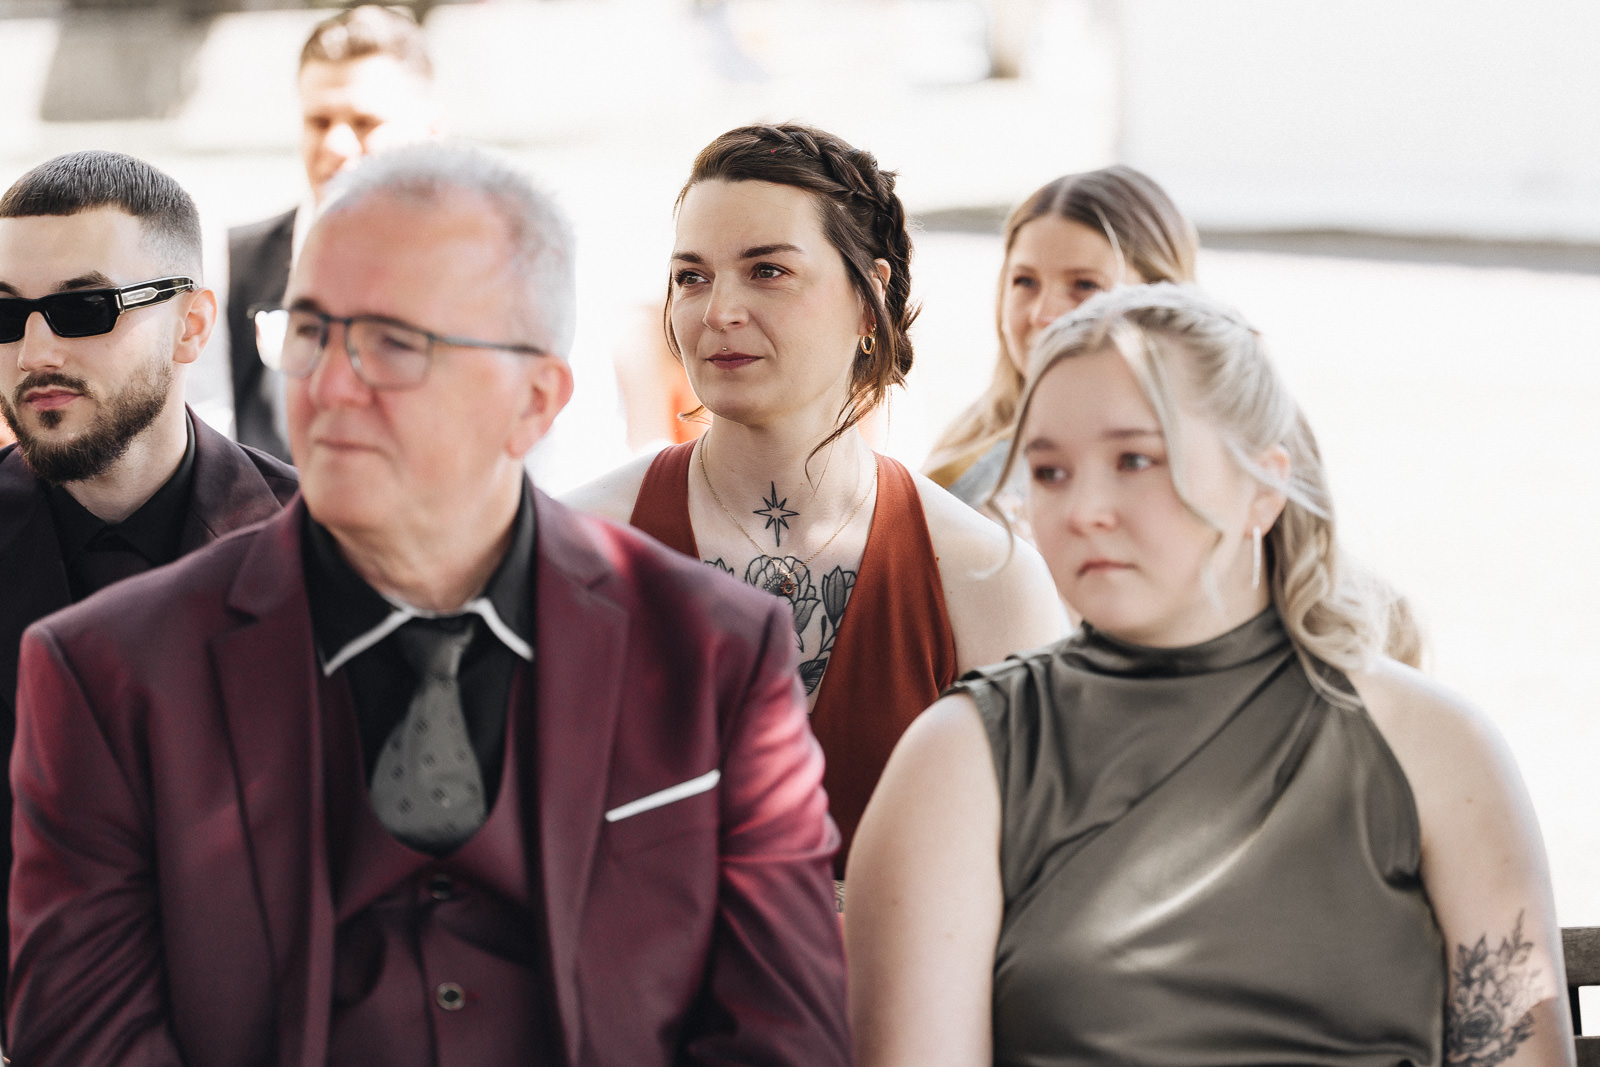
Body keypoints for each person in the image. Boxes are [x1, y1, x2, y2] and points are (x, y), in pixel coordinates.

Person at [9, 142, 848, 1065]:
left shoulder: (714, 650)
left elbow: (784, 1034)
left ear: (535, 400)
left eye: (394, 342)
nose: (329, 385)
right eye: (312, 331)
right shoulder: (108, 669)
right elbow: (87, 1038)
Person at [846, 284, 1574, 1066]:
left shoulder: (1436, 745)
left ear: (1264, 486)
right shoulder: (961, 757)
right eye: (1050, 472)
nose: (1085, 508)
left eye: (1135, 460)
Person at [566, 123, 1066, 901]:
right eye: (691, 277)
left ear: (869, 298)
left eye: (767, 270)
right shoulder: (579, 547)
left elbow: (1044, 895)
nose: (718, 310)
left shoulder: (985, 578)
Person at [0, 149, 297, 974]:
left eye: (84, 308)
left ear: (192, 325)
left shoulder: (320, 552)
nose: (33, 353)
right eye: (6, 314)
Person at [224, 4, 440, 461]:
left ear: (430, 133)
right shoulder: (228, 267)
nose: (336, 145)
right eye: (319, 122)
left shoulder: (485, 269)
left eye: (365, 123)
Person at [923, 166, 1196, 510]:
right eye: (1025, 281)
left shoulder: (1213, 459)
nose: (1043, 314)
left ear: (1163, 301)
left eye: (1085, 284)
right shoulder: (961, 487)